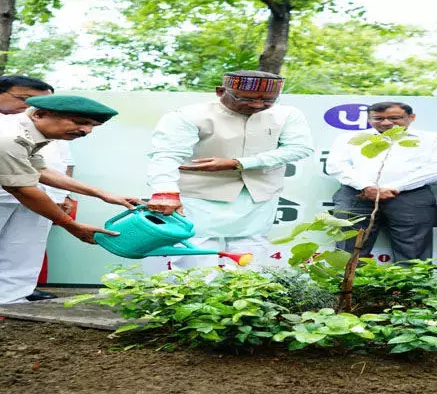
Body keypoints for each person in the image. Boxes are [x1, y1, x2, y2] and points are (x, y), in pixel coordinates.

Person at [146, 70, 314, 269]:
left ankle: (247, 299)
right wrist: (165, 192)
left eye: (268, 100)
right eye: (246, 98)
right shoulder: (189, 115)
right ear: (220, 91)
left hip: (258, 196)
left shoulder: (287, 115)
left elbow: (300, 148)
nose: (257, 105)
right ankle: (194, 299)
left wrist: (239, 163)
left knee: (251, 254)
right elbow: (166, 154)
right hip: (200, 196)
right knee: (197, 252)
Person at [0, 95, 143, 304]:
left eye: (93, 126)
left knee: (20, 250)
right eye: (79, 122)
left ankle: (8, 304)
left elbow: (38, 169)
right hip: (13, 192)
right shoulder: (9, 136)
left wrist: (102, 194)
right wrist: (72, 226)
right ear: (40, 114)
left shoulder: (28, 131)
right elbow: (22, 188)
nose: (87, 131)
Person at [325, 101, 437, 263]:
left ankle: (409, 288)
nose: (386, 122)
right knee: (348, 248)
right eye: (378, 118)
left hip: (411, 197)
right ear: (369, 119)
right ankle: (346, 287)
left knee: (413, 250)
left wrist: (395, 187)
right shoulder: (349, 138)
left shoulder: (434, 139)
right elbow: (336, 166)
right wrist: (366, 186)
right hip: (358, 195)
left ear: (411, 117)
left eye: (394, 118)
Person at [0, 75, 75, 301]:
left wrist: (62, 195)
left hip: (39, 195)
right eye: (24, 98)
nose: (31, 106)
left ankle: (12, 298)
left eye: (42, 103)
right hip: (11, 190)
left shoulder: (45, 126)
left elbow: (58, 166)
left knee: (24, 248)